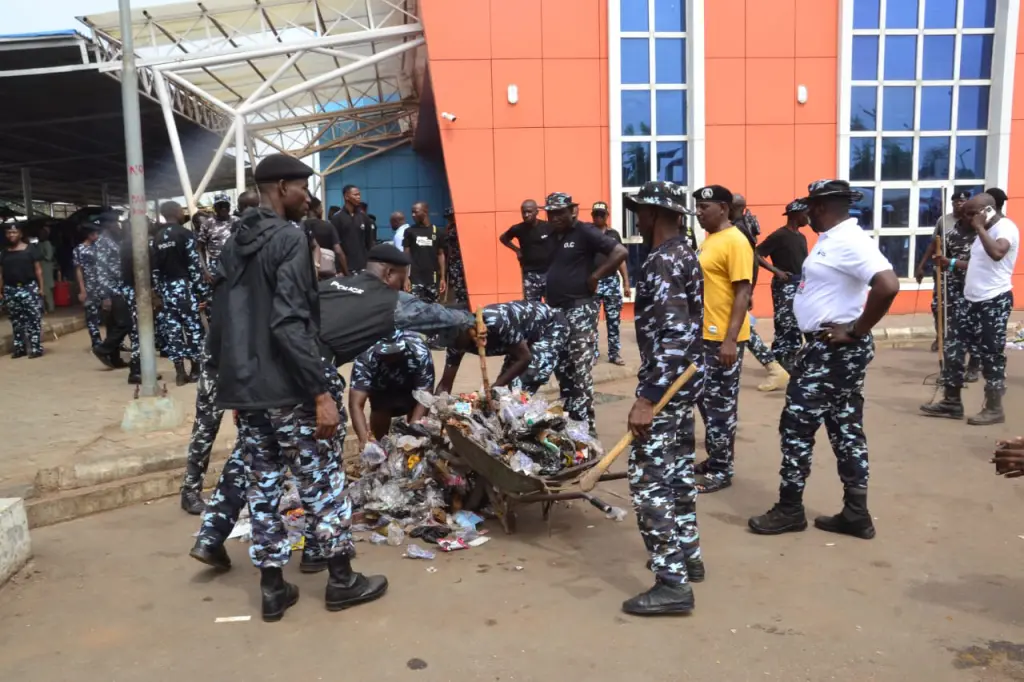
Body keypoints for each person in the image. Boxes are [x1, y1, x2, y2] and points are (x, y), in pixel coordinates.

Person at [190, 244, 475, 569]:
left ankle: (211, 535)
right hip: (303, 378)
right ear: (389, 273)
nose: (403, 287)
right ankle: (321, 555)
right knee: (320, 467)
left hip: (262, 374)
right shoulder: (386, 298)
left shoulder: (330, 285)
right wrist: (472, 321)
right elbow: (433, 315)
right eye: (402, 279)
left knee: (250, 456)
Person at [206, 153, 386, 622]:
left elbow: (221, 324)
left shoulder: (229, 246)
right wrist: (321, 393)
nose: (308, 196)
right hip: (289, 388)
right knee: (321, 481)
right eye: (303, 187)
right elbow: (290, 323)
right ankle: (342, 580)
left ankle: (272, 588)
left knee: (262, 487)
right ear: (281, 186)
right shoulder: (289, 240)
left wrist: (231, 390)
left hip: (247, 392)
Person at [748, 180, 899, 539]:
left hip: (834, 352)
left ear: (823, 207)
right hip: (826, 349)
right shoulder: (830, 240)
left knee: (797, 425)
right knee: (846, 428)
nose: (808, 212)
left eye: (812, 206)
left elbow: (888, 285)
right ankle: (855, 514)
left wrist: (857, 330)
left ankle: (790, 509)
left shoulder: (850, 241)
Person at [621, 181, 705, 616]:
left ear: (653, 214)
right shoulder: (684, 253)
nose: (637, 218)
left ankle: (672, 583)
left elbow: (674, 335)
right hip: (681, 384)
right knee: (677, 474)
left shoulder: (662, 262)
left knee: (649, 481)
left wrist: (647, 398)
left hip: (666, 386)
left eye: (640, 211)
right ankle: (688, 556)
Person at [922, 193, 1018, 426]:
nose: (965, 219)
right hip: (969, 300)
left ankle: (994, 408)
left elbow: (996, 254)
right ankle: (951, 402)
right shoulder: (980, 233)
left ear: (986, 211)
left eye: (970, 214)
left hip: (993, 301)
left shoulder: (1005, 228)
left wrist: (980, 228)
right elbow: (978, 263)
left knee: (991, 355)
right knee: (952, 348)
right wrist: (951, 263)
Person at [543, 192, 628, 429]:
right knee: (562, 368)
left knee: (579, 368)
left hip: (580, 309)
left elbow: (620, 252)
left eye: (560, 212)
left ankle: (585, 428)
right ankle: (569, 422)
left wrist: (596, 276)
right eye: (551, 213)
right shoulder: (550, 235)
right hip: (555, 312)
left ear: (573, 211)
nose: (555, 217)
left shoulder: (584, 232)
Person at [691, 185, 752, 494]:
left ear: (724, 208)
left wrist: (730, 340)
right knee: (706, 401)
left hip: (722, 340)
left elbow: (743, 290)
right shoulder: (711, 239)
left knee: (721, 406)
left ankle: (722, 469)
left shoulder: (735, 241)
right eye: (698, 207)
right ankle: (716, 458)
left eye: (705, 206)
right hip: (705, 335)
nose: (699, 212)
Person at [436, 300, 567, 396]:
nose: (452, 344)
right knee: (502, 394)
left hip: (550, 327)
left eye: (454, 339)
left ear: (468, 329)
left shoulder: (496, 322)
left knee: (519, 389)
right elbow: (445, 385)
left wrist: (492, 390)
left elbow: (525, 358)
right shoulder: (455, 343)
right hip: (519, 341)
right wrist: (437, 410)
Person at [915, 189, 980, 383]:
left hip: (974, 284)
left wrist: (950, 263)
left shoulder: (981, 233)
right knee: (942, 312)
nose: (960, 207)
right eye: (956, 203)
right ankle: (949, 362)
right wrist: (924, 265)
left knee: (973, 324)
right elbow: (936, 248)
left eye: (964, 205)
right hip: (949, 281)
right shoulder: (947, 227)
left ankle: (974, 365)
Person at [349, 331, 435, 446]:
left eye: (395, 352)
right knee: (379, 417)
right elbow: (356, 404)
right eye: (386, 354)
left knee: (415, 434)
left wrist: (413, 433)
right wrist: (364, 439)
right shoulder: (365, 355)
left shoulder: (418, 350)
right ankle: (380, 450)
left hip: (411, 387)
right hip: (381, 387)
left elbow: (425, 395)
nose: (391, 357)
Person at [154, 201, 206, 386]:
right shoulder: (185, 234)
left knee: (173, 331)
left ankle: (179, 373)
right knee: (192, 329)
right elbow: (194, 266)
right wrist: (202, 293)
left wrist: (159, 293)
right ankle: (196, 369)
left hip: (167, 290)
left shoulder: (157, 237)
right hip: (184, 288)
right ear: (176, 212)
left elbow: (155, 270)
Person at [756, 201, 809, 376]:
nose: (807, 217)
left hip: (800, 284)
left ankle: (788, 357)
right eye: (805, 214)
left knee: (796, 323)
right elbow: (756, 254)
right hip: (785, 286)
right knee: (786, 323)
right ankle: (783, 358)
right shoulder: (780, 235)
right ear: (795, 214)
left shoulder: (801, 237)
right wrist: (775, 270)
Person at [591, 201, 631, 366]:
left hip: (611, 282)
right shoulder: (588, 234)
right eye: (596, 214)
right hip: (593, 282)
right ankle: (592, 353)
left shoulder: (613, 235)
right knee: (591, 321)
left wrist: (626, 283)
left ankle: (614, 353)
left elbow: (621, 260)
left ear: (607, 216)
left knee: (614, 320)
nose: (598, 217)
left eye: (602, 214)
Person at [0, 223, 45, 358]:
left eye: (14, 232)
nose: (11, 235)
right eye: (9, 233)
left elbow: (38, 270)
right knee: (16, 320)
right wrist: (0, 290)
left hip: (29, 287)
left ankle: (36, 348)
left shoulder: (30, 250)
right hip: (10, 289)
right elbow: (1, 273)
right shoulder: (4, 253)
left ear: (20, 234)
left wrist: (41, 288)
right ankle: (20, 348)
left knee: (33, 319)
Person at [500, 199, 554, 302]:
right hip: (530, 274)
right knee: (531, 307)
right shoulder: (518, 229)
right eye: (523, 212)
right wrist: (517, 250)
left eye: (529, 211)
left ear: (536, 212)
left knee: (552, 306)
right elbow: (503, 238)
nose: (526, 215)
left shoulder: (548, 227)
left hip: (548, 273)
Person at [403, 201, 447, 303]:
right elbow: (406, 255)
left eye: (416, 212)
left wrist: (443, 278)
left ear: (425, 212)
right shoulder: (409, 231)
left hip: (432, 278)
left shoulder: (437, 231)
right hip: (415, 278)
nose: (413, 215)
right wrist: (406, 278)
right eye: (412, 212)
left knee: (433, 308)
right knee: (415, 307)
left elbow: (440, 254)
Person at [330, 184, 374, 273]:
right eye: (355, 195)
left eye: (359, 195)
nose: (359, 197)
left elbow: (370, 243)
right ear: (346, 196)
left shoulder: (364, 217)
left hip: (363, 267)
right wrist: (340, 270)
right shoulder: (337, 218)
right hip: (345, 268)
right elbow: (335, 246)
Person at [74, 224, 105, 347]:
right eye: (94, 234)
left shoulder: (100, 247)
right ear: (88, 235)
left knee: (110, 315)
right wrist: (82, 290)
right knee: (92, 316)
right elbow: (78, 270)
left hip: (103, 284)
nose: (97, 236)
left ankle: (115, 342)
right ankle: (96, 342)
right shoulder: (79, 250)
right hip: (89, 286)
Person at [197, 193, 235, 284]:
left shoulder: (237, 221)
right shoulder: (207, 224)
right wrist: (205, 270)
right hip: (216, 265)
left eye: (225, 205)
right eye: (220, 205)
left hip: (235, 263)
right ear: (215, 207)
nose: (223, 208)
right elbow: (199, 249)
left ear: (229, 207)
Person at [306, 197, 347, 279]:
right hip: (326, 273)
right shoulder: (328, 226)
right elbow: (338, 251)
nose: (322, 210)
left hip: (306, 272)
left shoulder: (300, 226)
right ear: (316, 210)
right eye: (321, 208)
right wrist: (346, 272)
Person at [445, 207, 469, 305]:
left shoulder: (458, 227)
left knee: (461, 283)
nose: (449, 219)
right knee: (456, 283)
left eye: (451, 216)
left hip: (460, 259)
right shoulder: (450, 227)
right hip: (454, 259)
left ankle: (463, 302)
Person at [36, 226, 56, 314]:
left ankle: (50, 308)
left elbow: (49, 256)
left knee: (47, 289)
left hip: (46, 268)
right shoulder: (38, 244)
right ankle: (44, 308)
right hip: (41, 268)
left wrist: (40, 255)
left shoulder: (47, 243)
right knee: (42, 288)